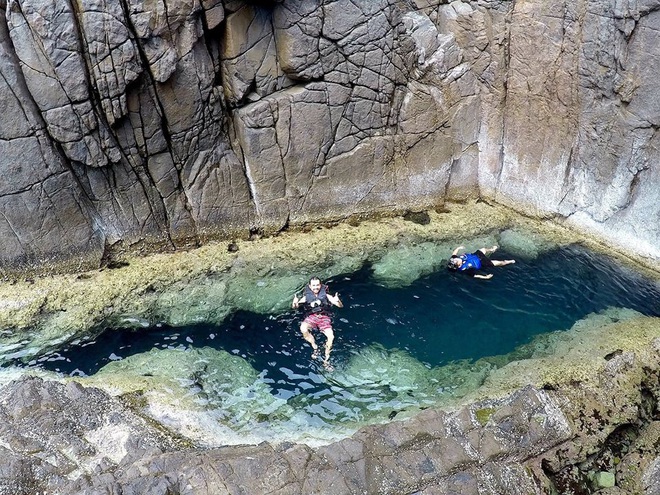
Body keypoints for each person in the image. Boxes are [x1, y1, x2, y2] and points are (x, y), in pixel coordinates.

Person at [292, 277, 343, 369]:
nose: (316, 287)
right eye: (313, 285)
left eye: (317, 285)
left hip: (324, 317)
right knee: (303, 328)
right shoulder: (306, 297)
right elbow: (295, 307)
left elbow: (339, 306)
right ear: (310, 286)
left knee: (331, 336)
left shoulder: (326, 296)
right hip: (311, 317)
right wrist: (295, 303)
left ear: (320, 285)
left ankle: (326, 360)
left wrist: (337, 301)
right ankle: (315, 348)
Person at [447, 245, 515, 279]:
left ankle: (492, 250)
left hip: (476, 255)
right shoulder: (466, 269)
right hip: (483, 262)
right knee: (500, 263)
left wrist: (458, 248)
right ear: (458, 265)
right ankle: (508, 262)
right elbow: (475, 275)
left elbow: (454, 254)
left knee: (483, 249)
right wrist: (485, 277)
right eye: (456, 261)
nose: (456, 259)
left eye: (454, 259)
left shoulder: (454, 260)